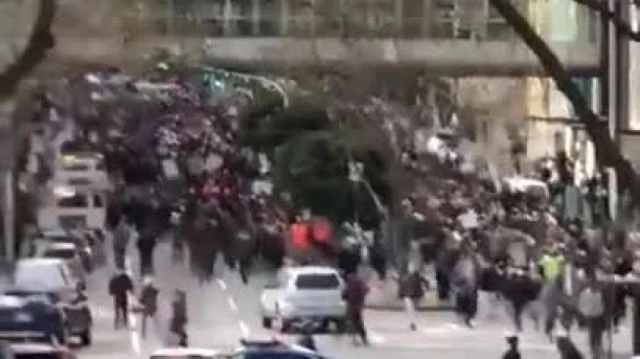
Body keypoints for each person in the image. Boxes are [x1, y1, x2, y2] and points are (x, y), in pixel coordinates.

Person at [342, 273, 369, 345]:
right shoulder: (360, 284)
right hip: (359, 306)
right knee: (359, 323)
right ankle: (364, 339)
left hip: (352, 306)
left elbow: (344, 295)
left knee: (353, 322)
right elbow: (367, 290)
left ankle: (355, 339)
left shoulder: (349, 286)